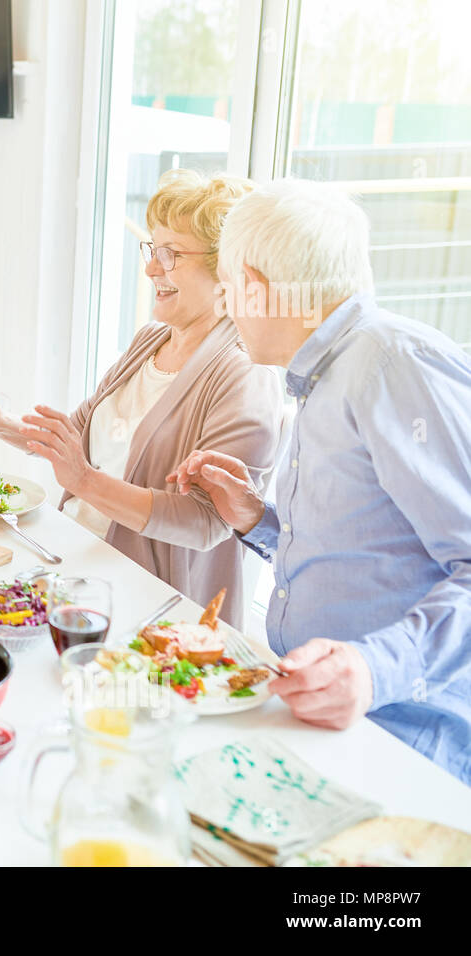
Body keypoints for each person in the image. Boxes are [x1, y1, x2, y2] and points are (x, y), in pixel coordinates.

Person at [171, 179, 471, 783]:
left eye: (228, 289)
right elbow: (375, 551)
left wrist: (371, 668)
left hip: (403, 742)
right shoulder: (327, 373)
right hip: (319, 719)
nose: (227, 307)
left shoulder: (391, 365)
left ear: (253, 287)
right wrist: (257, 519)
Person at [0, 170, 283, 627]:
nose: (150, 269)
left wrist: (85, 481)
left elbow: (205, 522)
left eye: (170, 254)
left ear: (225, 269)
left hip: (146, 608)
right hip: (72, 564)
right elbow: (76, 439)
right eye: (152, 249)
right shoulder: (151, 340)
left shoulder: (244, 374)